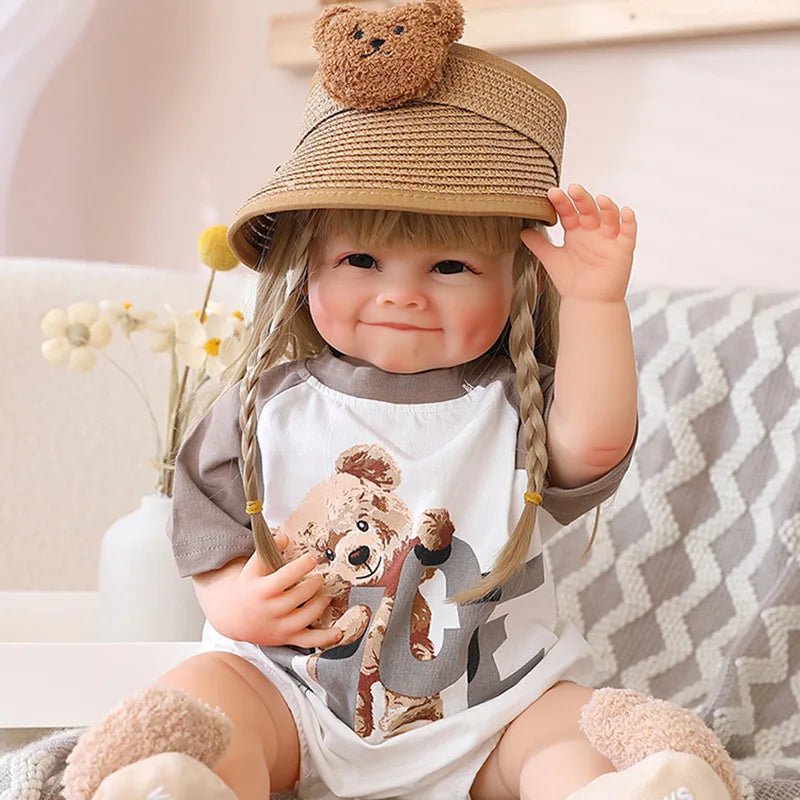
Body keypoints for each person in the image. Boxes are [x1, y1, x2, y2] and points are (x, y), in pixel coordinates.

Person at [62, 2, 740, 799]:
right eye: (361, 260)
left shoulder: (516, 405)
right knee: (210, 697)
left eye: (450, 267)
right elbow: (208, 531)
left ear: (518, 282)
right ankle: (184, 781)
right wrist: (237, 602)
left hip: (492, 707)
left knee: (568, 730)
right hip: (290, 692)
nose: (401, 295)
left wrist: (595, 303)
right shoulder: (266, 407)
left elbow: (593, 443)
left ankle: (618, 788)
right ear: (307, 267)